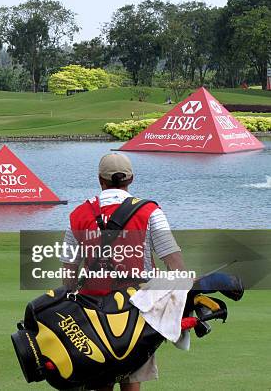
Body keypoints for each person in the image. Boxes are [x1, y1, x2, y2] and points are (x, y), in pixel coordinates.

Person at [61, 153, 185, 391]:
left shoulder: (78, 215)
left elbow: (68, 272)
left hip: (93, 310)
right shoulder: (150, 212)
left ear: (100, 180)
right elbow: (175, 265)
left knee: (100, 378)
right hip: (136, 309)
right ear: (131, 179)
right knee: (132, 377)